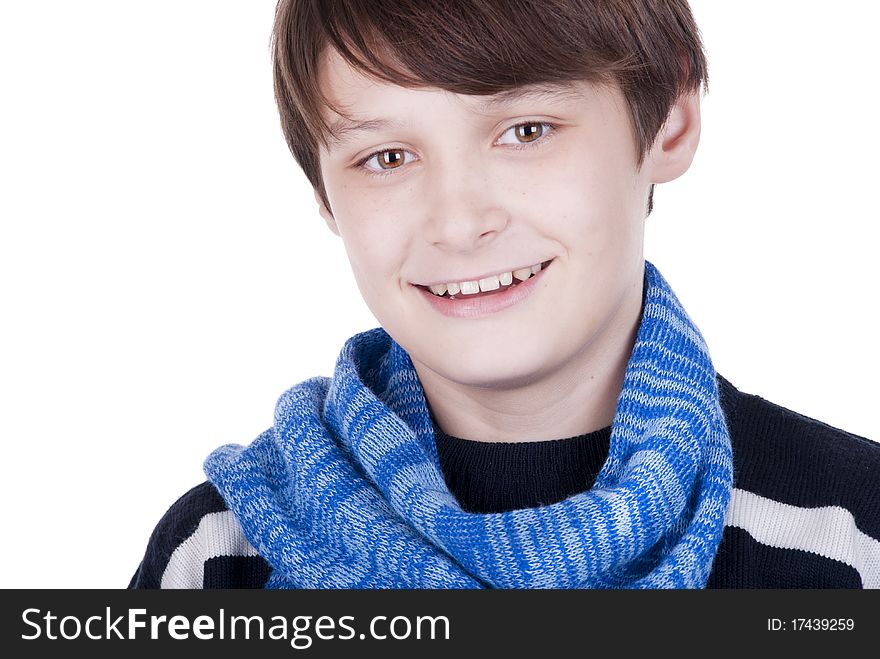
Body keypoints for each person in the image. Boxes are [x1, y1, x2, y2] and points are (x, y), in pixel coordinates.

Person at [129, 0, 880, 589]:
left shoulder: (850, 534)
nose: (459, 221)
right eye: (386, 156)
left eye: (526, 130)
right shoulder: (220, 556)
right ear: (323, 194)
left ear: (670, 120)